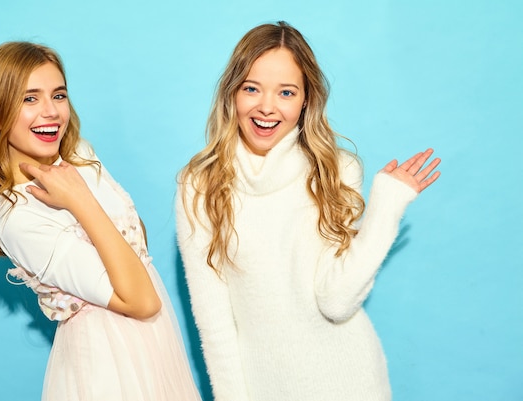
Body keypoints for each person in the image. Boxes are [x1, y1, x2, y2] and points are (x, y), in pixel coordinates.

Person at [176, 21, 441, 401]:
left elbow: (337, 300)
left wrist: (386, 206)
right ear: (232, 93)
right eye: (252, 88)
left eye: (286, 92)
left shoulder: (337, 171)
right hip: (263, 388)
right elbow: (213, 322)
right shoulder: (199, 185)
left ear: (305, 100)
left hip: (351, 383)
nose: (266, 107)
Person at [0, 41, 201, 401]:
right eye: (30, 99)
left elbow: (136, 248)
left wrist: (78, 191)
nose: (51, 112)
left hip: (154, 344)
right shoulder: (18, 217)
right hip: (107, 364)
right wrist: (80, 201)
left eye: (58, 95)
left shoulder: (78, 156)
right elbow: (141, 301)